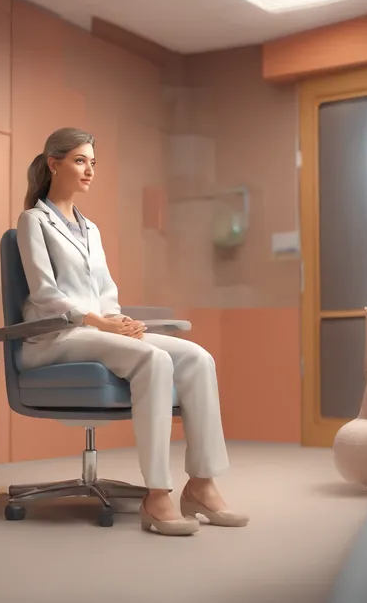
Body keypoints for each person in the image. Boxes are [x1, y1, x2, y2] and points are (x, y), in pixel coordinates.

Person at [17, 127, 249, 536]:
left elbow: (106, 291)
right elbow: (45, 294)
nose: (89, 170)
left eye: (92, 162)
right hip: (57, 337)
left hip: (99, 331)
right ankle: (157, 495)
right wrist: (99, 323)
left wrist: (116, 321)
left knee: (197, 357)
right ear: (54, 163)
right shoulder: (32, 221)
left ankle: (201, 486)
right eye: (79, 160)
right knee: (153, 358)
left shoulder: (92, 229)